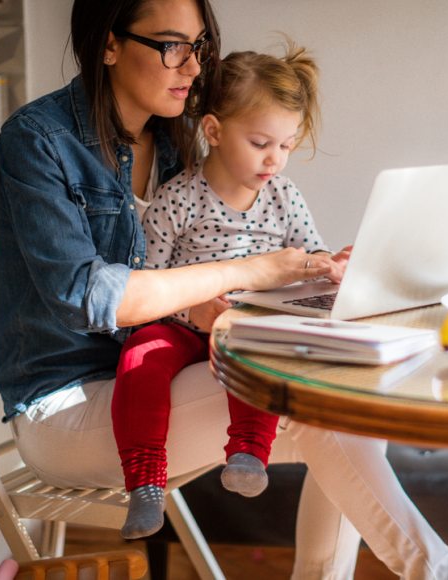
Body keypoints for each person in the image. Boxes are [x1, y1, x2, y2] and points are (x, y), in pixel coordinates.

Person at [0, 0, 448, 577]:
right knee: (316, 403)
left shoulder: (175, 141)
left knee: (344, 412)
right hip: (69, 405)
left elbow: (198, 271)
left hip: (163, 372)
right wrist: (251, 271)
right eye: (171, 46)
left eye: (200, 48)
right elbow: (91, 297)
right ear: (109, 45)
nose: (192, 68)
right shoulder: (39, 141)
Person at [113, 41, 353, 539]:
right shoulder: (177, 198)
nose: (276, 160)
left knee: (260, 353)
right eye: (262, 143)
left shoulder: (284, 197)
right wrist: (194, 313)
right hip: (180, 326)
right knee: (139, 357)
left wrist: (332, 265)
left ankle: (248, 452)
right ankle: (145, 483)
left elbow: (311, 258)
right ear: (215, 131)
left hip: (246, 326)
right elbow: (146, 292)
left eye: (286, 145)